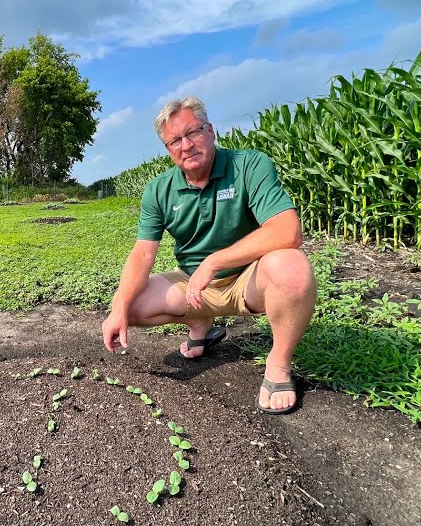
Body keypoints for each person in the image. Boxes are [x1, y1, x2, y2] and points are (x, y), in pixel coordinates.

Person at [100, 96, 317, 414]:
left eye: (193, 132)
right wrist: (118, 307)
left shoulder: (249, 165)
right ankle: (200, 323)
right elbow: (142, 255)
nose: (185, 145)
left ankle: (279, 363)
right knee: (130, 304)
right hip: (194, 286)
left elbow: (288, 231)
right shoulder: (158, 190)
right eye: (175, 140)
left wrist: (214, 261)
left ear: (211, 131)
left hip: (249, 279)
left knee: (292, 269)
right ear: (168, 149)